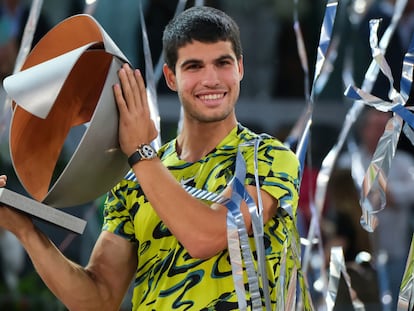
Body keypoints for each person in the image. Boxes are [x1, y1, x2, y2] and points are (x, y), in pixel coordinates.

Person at [0, 6, 311, 310]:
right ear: (170, 77)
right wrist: (27, 231)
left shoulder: (268, 157)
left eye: (223, 63)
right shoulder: (134, 178)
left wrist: (140, 151)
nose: (212, 79)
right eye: (193, 67)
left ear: (240, 68)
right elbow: (98, 298)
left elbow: (205, 237)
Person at [338, 107, 414, 310]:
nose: (383, 132)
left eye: (387, 127)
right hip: (359, 256)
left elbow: (404, 195)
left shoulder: (405, 164)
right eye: (377, 126)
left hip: (395, 253)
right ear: (364, 130)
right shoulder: (348, 162)